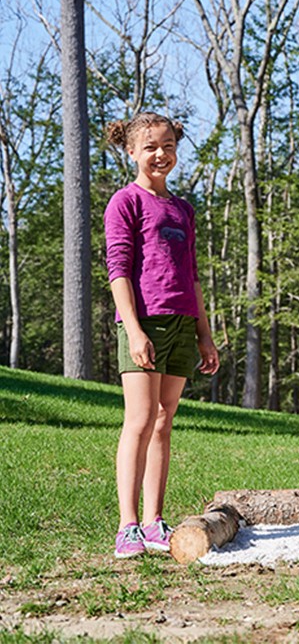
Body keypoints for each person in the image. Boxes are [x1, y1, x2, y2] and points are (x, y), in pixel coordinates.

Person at [104, 112, 219, 559]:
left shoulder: (183, 209)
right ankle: (127, 526)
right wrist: (133, 329)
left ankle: (154, 520)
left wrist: (204, 335)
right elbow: (118, 270)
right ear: (132, 151)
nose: (160, 154)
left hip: (182, 325)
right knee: (139, 420)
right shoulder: (126, 202)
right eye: (150, 146)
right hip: (144, 323)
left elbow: (191, 278)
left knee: (163, 421)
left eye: (168, 145)